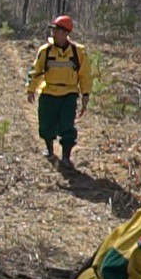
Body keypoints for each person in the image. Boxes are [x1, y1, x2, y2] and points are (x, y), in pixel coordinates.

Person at [25, 15, 91, 166]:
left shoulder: (78, 52)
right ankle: (49, 149)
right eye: (54, 31)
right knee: (46, 124)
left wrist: (85, 94)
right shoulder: (45, 51)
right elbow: (35, 71)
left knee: (67, 126)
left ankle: (66, 157)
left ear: (66, 33)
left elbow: (85, 75)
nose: (55, 34)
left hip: (69, 94)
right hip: (48, 92)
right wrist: (31, 89)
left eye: (58, 31)